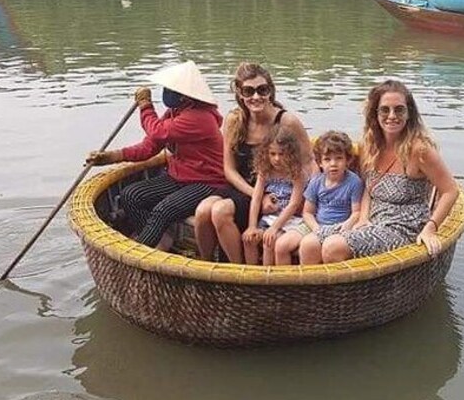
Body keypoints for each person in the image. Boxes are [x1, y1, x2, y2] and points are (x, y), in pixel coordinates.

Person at [299, 79, 458, 264]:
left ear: (409, 114)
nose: (392, 116)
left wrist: (431, 227)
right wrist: (362, 218)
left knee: (332, 246)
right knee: (308, 243)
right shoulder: (370, 145)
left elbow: (450, 190)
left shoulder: (419, 150)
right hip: (372, 219)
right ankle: (316, 293)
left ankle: (344, 293)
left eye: (399, 109)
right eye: (385, 109)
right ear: (375, 113)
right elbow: (367, 186)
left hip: (403, 226)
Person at [86, 61, 227, 250]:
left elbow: (158, 132)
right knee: (130, 195)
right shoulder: (174, 113)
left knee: (163, 210)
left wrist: (145, 106)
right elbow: (150, 147)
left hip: (207, 182)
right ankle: (160, 238)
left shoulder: (200, 117)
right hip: (179, 177)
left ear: (185, 94)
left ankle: (140, 249)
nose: (166, 92)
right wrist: (112, 156)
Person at [193, 62, 315, 263]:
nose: (256, 97)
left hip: (275, 190)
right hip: (246, 188)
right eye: (249, 91)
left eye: (262, 90)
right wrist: (259, 194)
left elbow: (309, 161)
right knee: (203, 210)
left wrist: (311, 199)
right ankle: (206, 265)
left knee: (219, 211)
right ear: (240, 94)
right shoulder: (234, 120)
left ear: (270, 92)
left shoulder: (286, 121)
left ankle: (238, 269)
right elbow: (229, 169)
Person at [275, 131, 363, 265]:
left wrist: (348, 225)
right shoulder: (317, 181)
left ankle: (314, 282)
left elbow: (356, 212)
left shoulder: (354, 182)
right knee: (281, 245)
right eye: (327, 159)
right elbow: (308, 212)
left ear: (348, 160)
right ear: (320, 163)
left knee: (308, 245)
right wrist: (316, 228)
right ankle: (285, 282)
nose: (333, 164)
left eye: (339, 158)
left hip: (340, 227)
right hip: (315, 224)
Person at [241, 126, 307, 265]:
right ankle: (252, 277)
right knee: (249, 239)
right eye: (272, 154)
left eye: (281, 154)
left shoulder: (297, 174)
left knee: (269, 241)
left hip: (289, 220)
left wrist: (275, 227)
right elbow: (257, 198)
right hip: (268, 218)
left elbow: (294, 204)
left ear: (290, 153)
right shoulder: (265, 171)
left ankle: (268, 279)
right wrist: (252, 225)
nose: (276, 159)